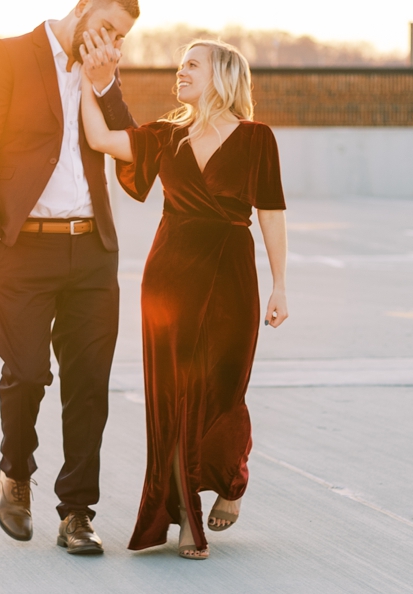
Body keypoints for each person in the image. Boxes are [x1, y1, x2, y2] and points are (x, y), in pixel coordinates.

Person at [78, 37, 288, 558]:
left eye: (193, 64)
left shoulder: (257, 138)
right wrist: (86, 77)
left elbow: (272, 213)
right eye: (181, 64)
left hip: (231, 275)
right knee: (172, 396)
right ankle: (185, 519)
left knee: (223, 387)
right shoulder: (165, 137)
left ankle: (229, 483)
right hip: (169, 276)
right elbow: (103, 138)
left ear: (222, 75)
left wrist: (281, 283)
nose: (182, 71)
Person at [0, 0, 141, 556]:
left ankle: (77, 513)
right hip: (23, 249)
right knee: (27, 371)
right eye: (107, 28)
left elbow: (135, 167)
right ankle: (15, 473)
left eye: (121, 38)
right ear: (83, 6)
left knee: (89, 386)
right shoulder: (7, 55)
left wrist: (105, 86)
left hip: (91, 251)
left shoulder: (102, 75)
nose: (110, 42)